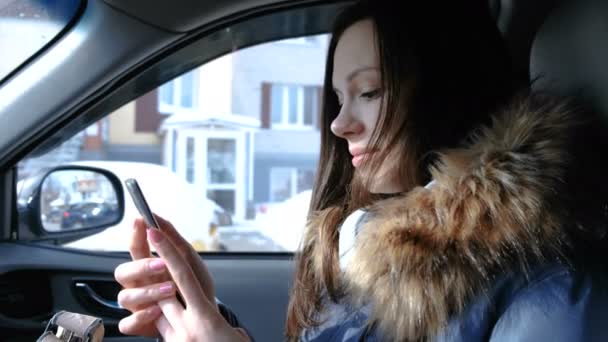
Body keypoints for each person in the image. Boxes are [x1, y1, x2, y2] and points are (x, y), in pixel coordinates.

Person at [114, 0, 608, 341]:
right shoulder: (363, 252)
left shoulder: (554, 292)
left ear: (450, 90)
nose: (338, 123)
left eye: (369, 92)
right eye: (338, 97)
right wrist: (211, 316)